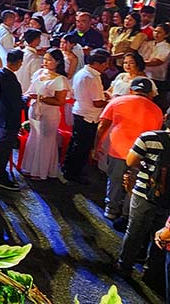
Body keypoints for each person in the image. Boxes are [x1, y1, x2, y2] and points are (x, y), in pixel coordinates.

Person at [95, 77, 164, 229]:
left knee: (115, 180)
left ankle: (111, 210)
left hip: (117, 149)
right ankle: (127, 213)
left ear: (131, 90)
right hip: (142, 153)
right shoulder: (157, 110)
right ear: (150, 93)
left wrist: (96, 145)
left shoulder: (117, 101)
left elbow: (102, 126)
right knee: (134, 182)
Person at [117, 120, 170, 275]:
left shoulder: (149, 137)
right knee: (161, 236)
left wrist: (147, 168)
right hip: (167, 200)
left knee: (135, 230)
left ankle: (125, 265)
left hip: (145, 193)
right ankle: (151, 271)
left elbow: (131, 160)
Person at [63, 49, 111, 183]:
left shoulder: (82, 72)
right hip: (88, 116)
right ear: (97, 63)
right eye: (105, 63)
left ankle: (68, 169)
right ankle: (74, 174)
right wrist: (110, 101)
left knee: (75, 144)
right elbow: (97, 103)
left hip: (79, 111)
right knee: (82, 147)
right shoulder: (92, 77)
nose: (107, 66)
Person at [21, 49, 69, 181]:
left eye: (49, 60)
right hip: (34, 109)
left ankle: (42, 171)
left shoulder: (60, 80)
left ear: (57, 62)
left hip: (49, 113)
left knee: (45, 140)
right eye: (45, 59)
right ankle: (30, 167)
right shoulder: (39, 72)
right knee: (34, 137)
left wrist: (40, 98)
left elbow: (60, 101)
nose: (45, 62)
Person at [0, 49, 25, 190]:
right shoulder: (12, 81)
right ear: (19, 63)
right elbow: (16, 103)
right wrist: (25, 100)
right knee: (4, 148)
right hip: (9, 119)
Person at [16, 28, 44, 93]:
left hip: (16, 86)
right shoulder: (35, 58)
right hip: (27, 89)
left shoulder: (20, 52)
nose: (40, 40)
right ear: (35, 40)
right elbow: (35, 77)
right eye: (39, 38)